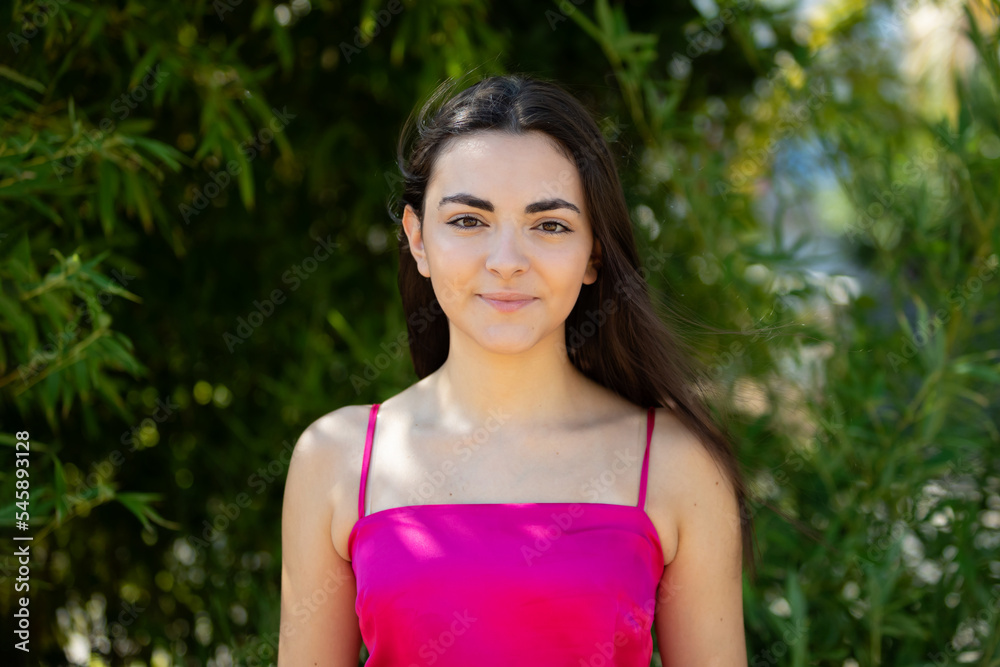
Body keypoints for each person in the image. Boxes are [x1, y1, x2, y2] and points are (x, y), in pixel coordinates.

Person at [279, 73, 756, 666]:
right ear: (418, 239)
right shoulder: (337, 457)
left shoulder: (677, 464)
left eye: (549, 225)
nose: (506, 262)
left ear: (594, 253)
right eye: (468, 221)